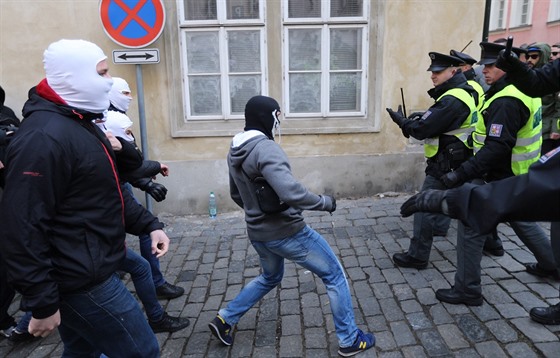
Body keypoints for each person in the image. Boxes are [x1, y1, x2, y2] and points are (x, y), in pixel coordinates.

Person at [0, 39, 170, 357]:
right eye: (102, 73)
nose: (109, 82)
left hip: (90, 268)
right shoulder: (43, 138)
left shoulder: (79, 123)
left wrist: (148, 224)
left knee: (82, 352)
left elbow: (106, 192)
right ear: (74, 77)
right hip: (80, 281)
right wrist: (42, 301)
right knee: (143, 351)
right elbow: (22, 227)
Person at [208, 95, 375, 357]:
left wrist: (257, 214)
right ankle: (349, 339)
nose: (279, 121)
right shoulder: (265, 149)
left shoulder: (235, 148)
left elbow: (236, 194)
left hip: (258, 233)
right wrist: (324, 202)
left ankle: (225, 318)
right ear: (268, 117)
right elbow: (291, 193)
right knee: (334, 275)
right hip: (288, 232)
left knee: (270, 277)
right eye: (277, 115)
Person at [432, 41, 556, 306]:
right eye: (485, 65)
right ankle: (552, 265)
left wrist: (462, 173)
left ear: (506, 69)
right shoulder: (519, 91)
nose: (485, 71)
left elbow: (497, 147)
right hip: (518, 171)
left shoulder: (506, 100)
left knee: (470, 223)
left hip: (499, 173)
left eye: (491, 66)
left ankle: (467, 289)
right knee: (523, 221)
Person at [386, 52, 480, 269]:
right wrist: (425, 116)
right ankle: (491, 242)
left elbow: (421, 130)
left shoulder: (452, 98)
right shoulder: (464, 91)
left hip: (446, 164)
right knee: (466, 206)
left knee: (423, 207)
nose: (433, 76)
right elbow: (442, 121)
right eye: (432, 72)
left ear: (453, 71)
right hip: (460, 160)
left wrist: (402, 121)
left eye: (438, 72)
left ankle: (418, 256)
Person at [105, 77, 184, 300]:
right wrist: (149, 175)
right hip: (112, 187)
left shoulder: (114, 119)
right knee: (141, 232)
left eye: (130, 93)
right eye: (125, 93)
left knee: (138, 230)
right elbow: (123, 165)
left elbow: (127, 162)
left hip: (120, 183)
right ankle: (153, 287)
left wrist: (146, 180)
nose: (130, 98)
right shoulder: (108, 121)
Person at [523, 43, 560, 155]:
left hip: (546, 131)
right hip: (529, 129)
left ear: (543, 56)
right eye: (528, 57)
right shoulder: (526, 76)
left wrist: (555, 129)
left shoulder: (551, 77)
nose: (530, 60)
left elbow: (558, 106)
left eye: (534, 57)